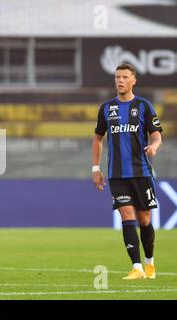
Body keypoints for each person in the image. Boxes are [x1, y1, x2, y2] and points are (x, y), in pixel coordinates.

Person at [92, 63, 162, 280]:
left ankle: (149, 262)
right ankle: (137, 267)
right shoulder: (106, 108)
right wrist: (96, 168)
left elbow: (157, 134)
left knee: (145, 220)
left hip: (141, 172)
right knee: (127, 215)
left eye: (124, 77)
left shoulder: (144, 106)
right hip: (117, 174)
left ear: (133, 80)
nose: (120, 81)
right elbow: (98, 138)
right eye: (117, 77)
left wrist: (153, 146)